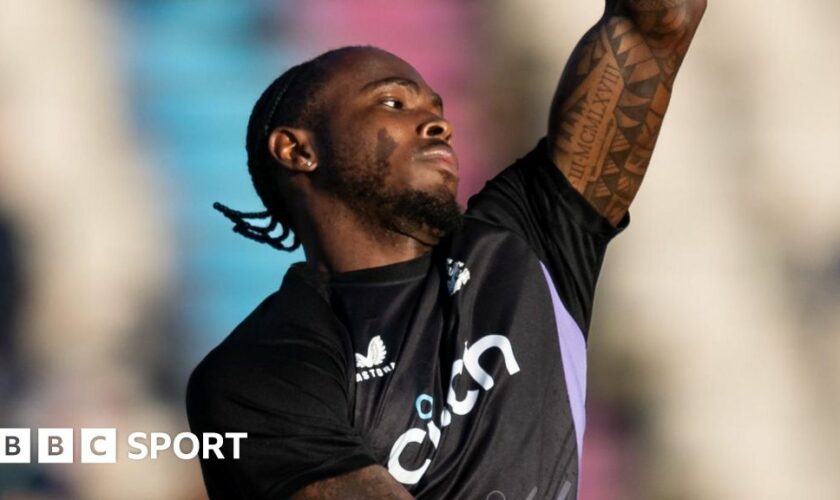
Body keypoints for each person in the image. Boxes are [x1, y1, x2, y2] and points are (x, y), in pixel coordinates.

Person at [186, 1, 706, 498]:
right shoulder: (257, 371)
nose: (440, 123)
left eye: (436, 107)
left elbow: (655, 25)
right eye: (393, 102)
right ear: (297, 149)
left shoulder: (523, 243)